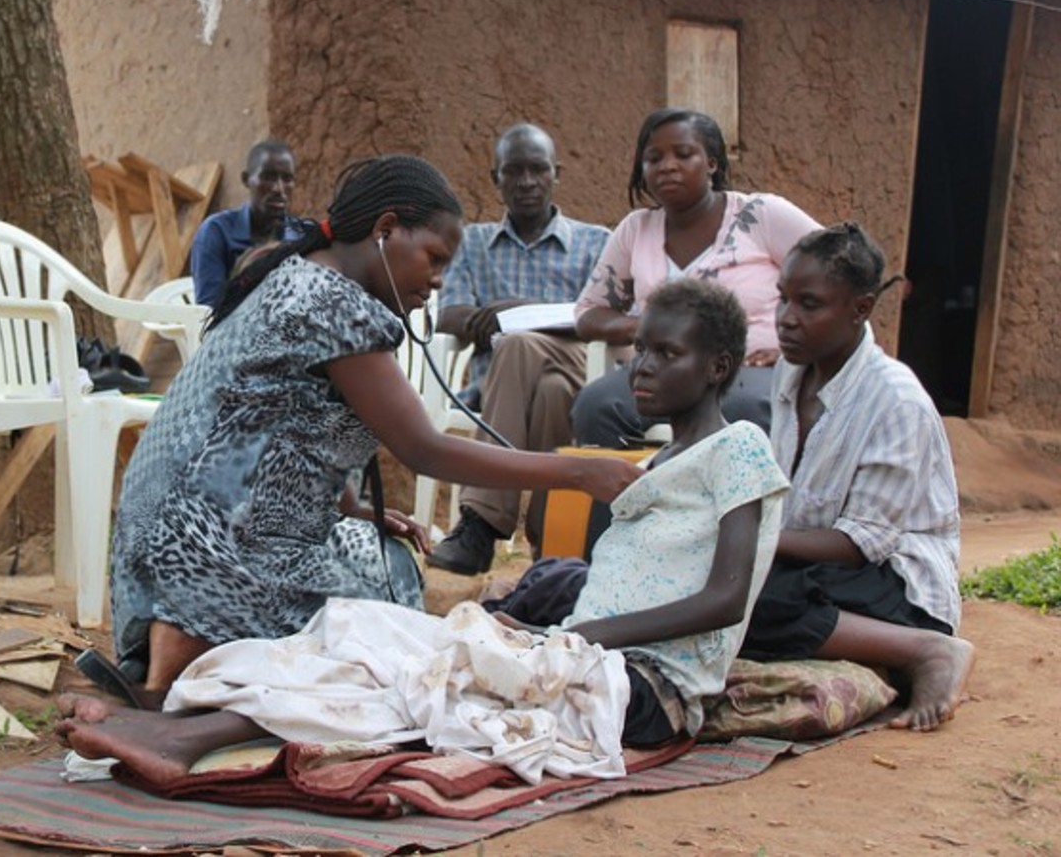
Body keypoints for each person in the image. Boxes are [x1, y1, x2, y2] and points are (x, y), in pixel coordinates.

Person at [58, 281, 788, 786]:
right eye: (642, 349)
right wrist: (559, 633)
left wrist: (585, 636)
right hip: (587, 661)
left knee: (415, 672)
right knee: (362, 628)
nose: (644, 367)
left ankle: (180, 735)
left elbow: (726, 598)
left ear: (720, 366)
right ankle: (188, 722)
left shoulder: (740, 450)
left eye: (669, 354)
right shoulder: (656, 464)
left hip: (641, 693)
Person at [107, 154, 643, 703]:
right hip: (211, 553)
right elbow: (425, 449)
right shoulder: (333, 304)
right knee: (392, 598)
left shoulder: (296, 275)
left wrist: (351, 508)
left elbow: (280, 423)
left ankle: (179, 644)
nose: (436, 283)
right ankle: (198, 654)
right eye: (433, 260)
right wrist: (578, 470)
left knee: (375, 551)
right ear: (386, 230)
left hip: (160, 548)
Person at [740, 222, 975, 732]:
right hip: (816, 573)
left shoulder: (895, 400)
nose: (786, 319)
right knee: (720, 585)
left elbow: (857, 545)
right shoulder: (791, 372)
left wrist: (756, 539)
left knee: (751, 596)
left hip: (896, 583)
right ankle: (857, 649)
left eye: (809, 304)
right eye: (783, 300)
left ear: (861, 308)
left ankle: (928, 650)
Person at [570, 107, 821, 448]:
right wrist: (647, 329)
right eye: (653, 158)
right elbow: (589, 314)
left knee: (741, 409)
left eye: (684, 154)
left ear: (712, 163)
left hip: (750, 369)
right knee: (598, 406)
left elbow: (834, 270)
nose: (667, 166)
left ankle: (738, 503)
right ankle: (625, 500)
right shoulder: (636, 230)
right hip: (663, 373)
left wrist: (793, 344)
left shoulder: (760, 215)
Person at [426, 123, 611, 576]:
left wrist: (523, 312)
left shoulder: (595, 242)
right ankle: (549, 542)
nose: (526, 182)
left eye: (538, 170)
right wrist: (485, 316)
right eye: (514, 171)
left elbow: (603, 318)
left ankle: (480, 523)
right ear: (496, 179)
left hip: (580, 369)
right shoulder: (471, 242)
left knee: (521, 345)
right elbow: (448, 313)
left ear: (556, 173)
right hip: (507, 393)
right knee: (543, 385)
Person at [189, 138, 317, 306]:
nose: (279, 188)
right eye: (268, 177)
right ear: (246, 179)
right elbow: (209, 314)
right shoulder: (216, 232)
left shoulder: (303, 235)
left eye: (287, 179)